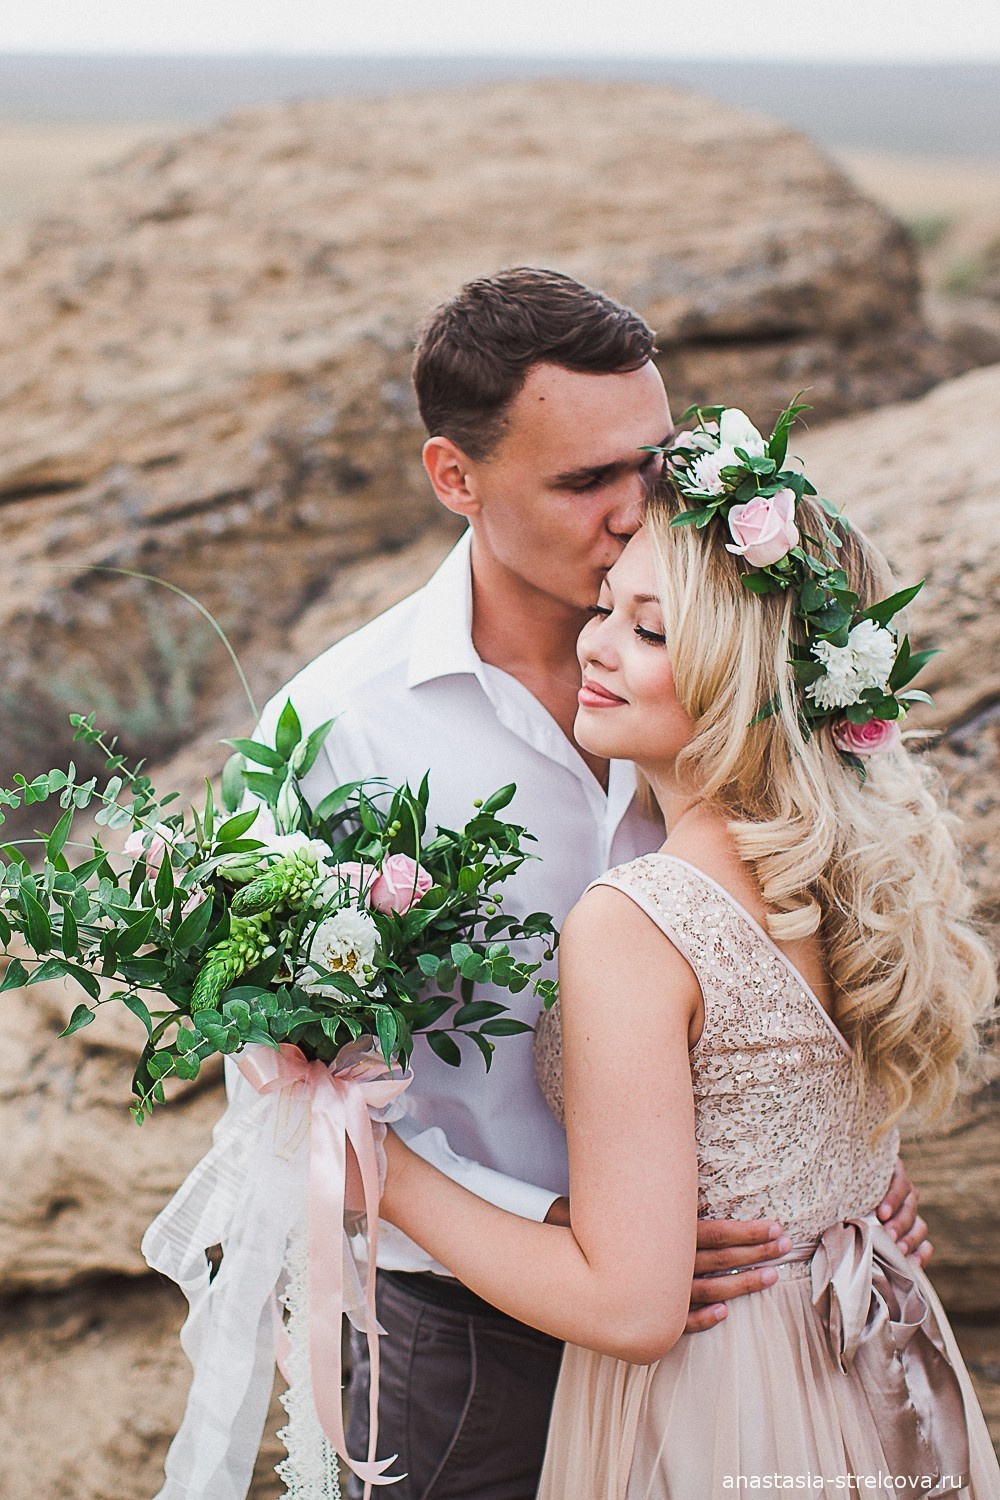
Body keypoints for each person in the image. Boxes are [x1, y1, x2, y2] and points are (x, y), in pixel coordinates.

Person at [254, 267, 927, 1499]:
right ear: (454, 478)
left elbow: (808, 946)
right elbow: (274, 1059)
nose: (635, 512)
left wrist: (840, 1167)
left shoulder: (727, 667)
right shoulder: (337, 738)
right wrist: (561, 1222)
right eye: (583, 482)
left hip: (752, 1339)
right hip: (467, 1343)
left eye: (652, 464)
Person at [377, 492, 1000, 1496]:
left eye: (650, 629)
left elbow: (630, 1308)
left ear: (749, 681)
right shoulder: (848, 879)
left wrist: (382, 1172)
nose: (597, 646)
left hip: (724, 1404)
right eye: (607, 609)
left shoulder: (638, 919)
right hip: (867, 1360)